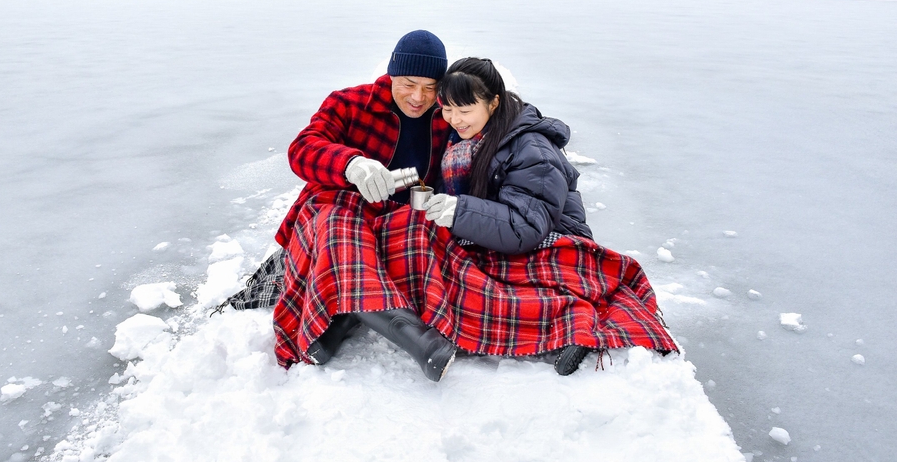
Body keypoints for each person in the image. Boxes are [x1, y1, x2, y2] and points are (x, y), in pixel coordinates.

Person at [404, 57, 677, 375]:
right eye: (448, 109)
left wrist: (457, 211)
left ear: (494, 103)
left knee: (485, 291)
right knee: (439, 268)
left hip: (552, 241)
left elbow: (525, 227)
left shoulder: (533, 149)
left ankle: (575, 329)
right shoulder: (467, 139)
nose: (454, 119)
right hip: (499, 236)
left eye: (464, 111)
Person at [270, 30, 458, 381]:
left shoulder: (445, 117)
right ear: (390, 74)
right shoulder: (349, 103)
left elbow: (488, 123)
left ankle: (343, 317)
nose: (418, 97)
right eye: (408, 83)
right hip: (334, 212)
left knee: (427, 234)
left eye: (430, 87)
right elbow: (302, 149)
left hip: (395, 221)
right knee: (342, 224)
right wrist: (350, 164)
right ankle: (414, 335)